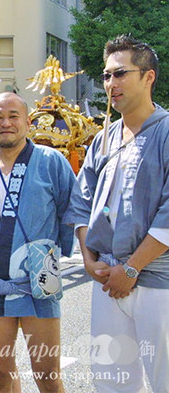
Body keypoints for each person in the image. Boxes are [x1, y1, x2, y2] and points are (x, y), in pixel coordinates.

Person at [64, 35, 169, 392]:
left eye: (120, 74)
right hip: (107, 279)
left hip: (158, 281)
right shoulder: (103, 139)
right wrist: (89, 261)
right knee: (111, 379)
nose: (111, 84)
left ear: (148, 77)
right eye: (107, 76)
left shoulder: (167, 132)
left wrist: (132, 267)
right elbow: (82, 202)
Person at [0, 92, 75, 392]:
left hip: (38, 284)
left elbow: (72, 210)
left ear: (28, 122)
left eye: (13, 116)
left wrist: (61, 252)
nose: (6, 123)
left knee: (47, 374)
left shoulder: (51, 161)